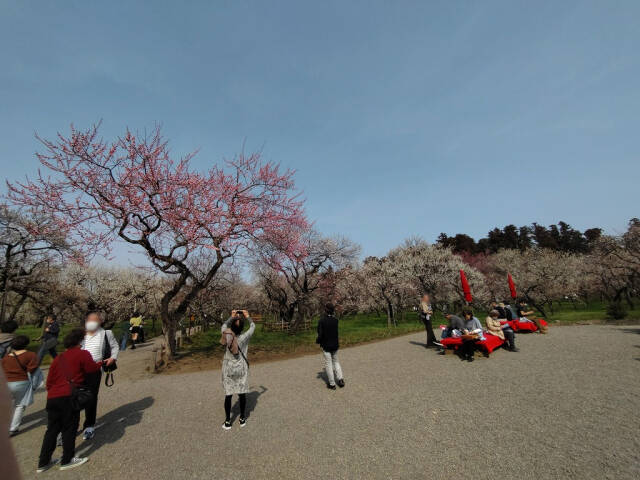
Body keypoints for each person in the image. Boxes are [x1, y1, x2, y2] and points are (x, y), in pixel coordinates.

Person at [37, 328, 101, 472]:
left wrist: (55, 391)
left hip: (53, 397)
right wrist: (101, 363)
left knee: (52, 430)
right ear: (80, 341)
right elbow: (92, 369)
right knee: (69, 428)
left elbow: (49, 382)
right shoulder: (82, 354)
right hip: (69, 396)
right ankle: (67, 459)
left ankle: (43, 462)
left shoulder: (58, 359)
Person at [80, 311, 119, 440]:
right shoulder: (81, 334)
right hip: (78, 369)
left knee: (91, 396)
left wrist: (113, 358)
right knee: (73, 397)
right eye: (89, 319)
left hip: (95, 369)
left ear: (100, 321)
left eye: (94, 319)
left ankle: (89, 425)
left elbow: (114, 347)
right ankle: (68, 428)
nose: (91, 322)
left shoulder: (106, 333)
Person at [220, 310, 255, 430]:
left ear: (232, 326)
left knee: (228, 394)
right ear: (242, 328)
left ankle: (228, 421)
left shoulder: (226, 334)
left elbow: (224, 325)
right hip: (241, 368)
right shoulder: (245, 337)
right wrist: (247, 316)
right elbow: (253, 326)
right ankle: (242, 418)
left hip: (229, 367)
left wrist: (232, 316)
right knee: (242, 393)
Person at [2, 335, 40, 435]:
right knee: (20, 405)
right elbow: (33, 370)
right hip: (22, 382)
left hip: (6, 383)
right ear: (26, 344)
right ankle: (13, 428)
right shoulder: (31, 355)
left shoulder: (5, 357)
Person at [316, 303, 345, 390]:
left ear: (325, 310)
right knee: (336, 362)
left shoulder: (321, 321)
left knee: (328, 364)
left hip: (326, 345)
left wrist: (318, 341)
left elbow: (320, 334)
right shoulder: (336, 320)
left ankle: (332, 384)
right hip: (335, 344)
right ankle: (340, 379)